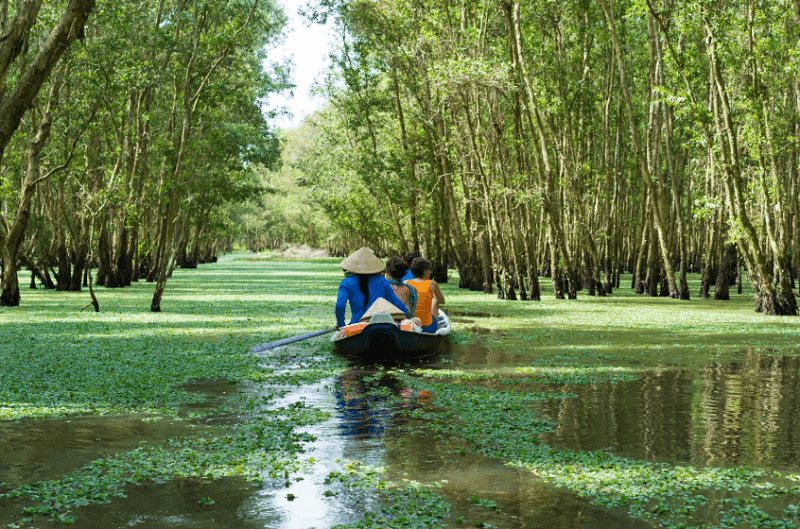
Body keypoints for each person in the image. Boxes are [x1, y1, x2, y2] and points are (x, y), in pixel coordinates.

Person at [335, 247, 408, 329]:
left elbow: (340, 306)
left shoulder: (346, 282)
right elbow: (396, 302)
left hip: (356, 326)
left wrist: (341, 325)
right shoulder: (383, 281)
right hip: (381, 326)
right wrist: (408, 315)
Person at [406, 257, 446, 334]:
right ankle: (433, 322)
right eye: (429, 269)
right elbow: (442, 301)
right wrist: (434, 299)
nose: (430, 272)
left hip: (409, 326)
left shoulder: (406, 282)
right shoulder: (432, 283)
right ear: (425, 271)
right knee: (436, 300)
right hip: (428, 328)